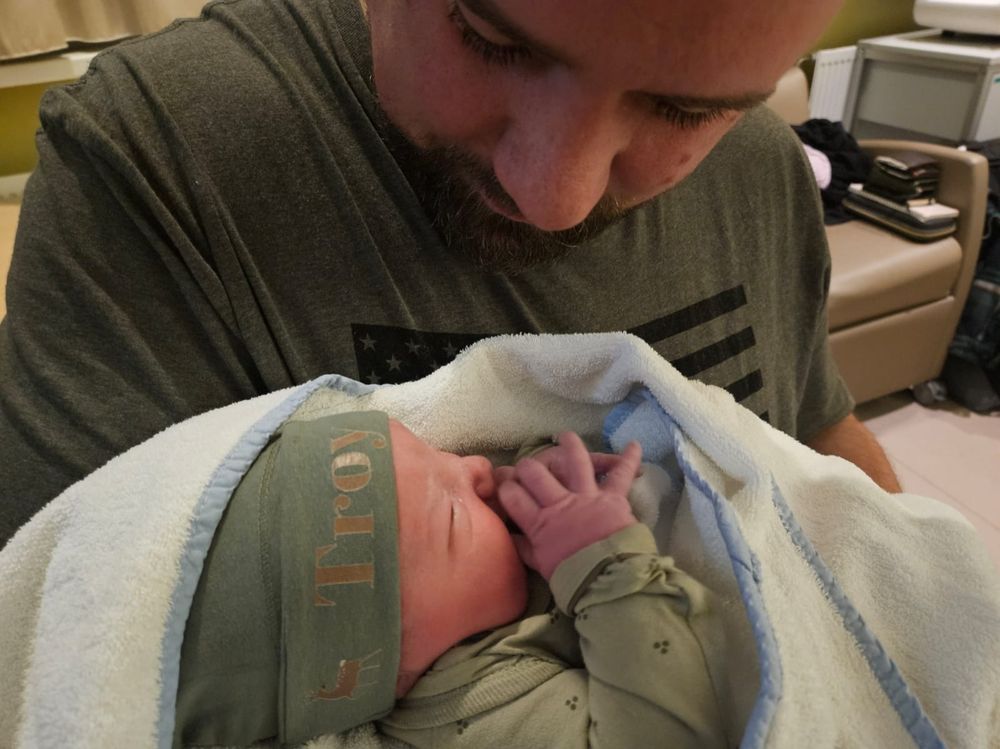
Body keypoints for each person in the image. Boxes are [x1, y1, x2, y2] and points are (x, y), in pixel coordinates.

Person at [0, 0, 900, 545]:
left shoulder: (762, 166)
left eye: (687, 111)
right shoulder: (158, 161)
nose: (554, 197)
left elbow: (818, 432)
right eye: (489, 38)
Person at [174, 410, 729, 748]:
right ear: (392, 668)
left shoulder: (473, 576)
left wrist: (546, 477)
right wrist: (603, 565)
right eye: (452, 517)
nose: (477, 468)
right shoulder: (473, 709)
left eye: (441, 457)